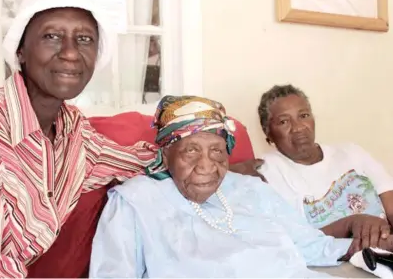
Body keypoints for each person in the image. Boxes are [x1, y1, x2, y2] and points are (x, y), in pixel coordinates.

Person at [0, 0, 258, 277]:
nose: (71, 53)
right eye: (52, 36)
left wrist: (213, 163)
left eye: (84, 39)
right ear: (20, 50)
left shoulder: (74, 131)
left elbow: (136, 161)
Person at [89, 95, 364, 278]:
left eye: (218, 152)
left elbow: (310, 245)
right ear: (166, 154)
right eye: (191, 151)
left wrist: (367, 247)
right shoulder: (135, 200)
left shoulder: (252, 190)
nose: (207, 166)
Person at [256, 84, 393, 251]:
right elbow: (294, 240)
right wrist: (350, 224)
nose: (298, 127)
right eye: (284, 121)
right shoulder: (267, 173)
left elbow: (389, 201)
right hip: (339, 265)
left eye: (304, 115)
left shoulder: (351, 152)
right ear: (268, 133)